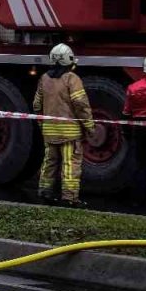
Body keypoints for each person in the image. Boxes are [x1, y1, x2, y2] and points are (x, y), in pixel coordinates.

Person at [33, 43, 96, 206]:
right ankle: (69, 198)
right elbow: (80, 104)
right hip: (69, 133)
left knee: (49, 162)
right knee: (70, 164)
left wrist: (42, 124)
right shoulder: (72, 79)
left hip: (49, 130)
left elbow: (37, 104)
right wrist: (89, 126)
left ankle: (44, 192)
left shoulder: (44, 78)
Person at [122, 56, 146, 204]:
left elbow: (126, 113)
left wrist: (125, 131)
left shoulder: (133, 88)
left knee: (139, 163)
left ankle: (138, 198)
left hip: (139, 129)